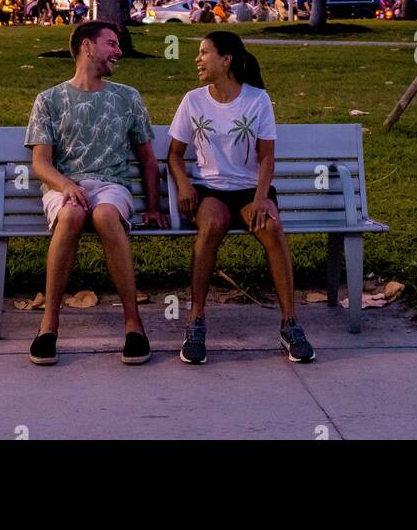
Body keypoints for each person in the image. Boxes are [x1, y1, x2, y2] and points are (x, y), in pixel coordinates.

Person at [24, 21, 167, 366]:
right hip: (64, 186)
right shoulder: (49, 100)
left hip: (111, 186)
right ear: (87, 46)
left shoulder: (127, 97)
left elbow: (148, 159)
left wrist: (153, 207)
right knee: (71, 214)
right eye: (111, 44)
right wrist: (67, 186)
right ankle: (49, 326)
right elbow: (41, 165)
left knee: (104, 214)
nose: (119, 52)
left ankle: (134, 325)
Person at [167, 32, 315, 366]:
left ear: (226, 59)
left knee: (272, 228)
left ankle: (290, 323)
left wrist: (263, 198)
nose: (198, 60)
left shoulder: (257, 100)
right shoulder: (193, 101)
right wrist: (185, 185)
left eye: (204, 53)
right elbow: (174, 155)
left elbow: (266, 158)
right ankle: (196, 321)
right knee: (213, 225)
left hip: (250, 191)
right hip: (210, 190)